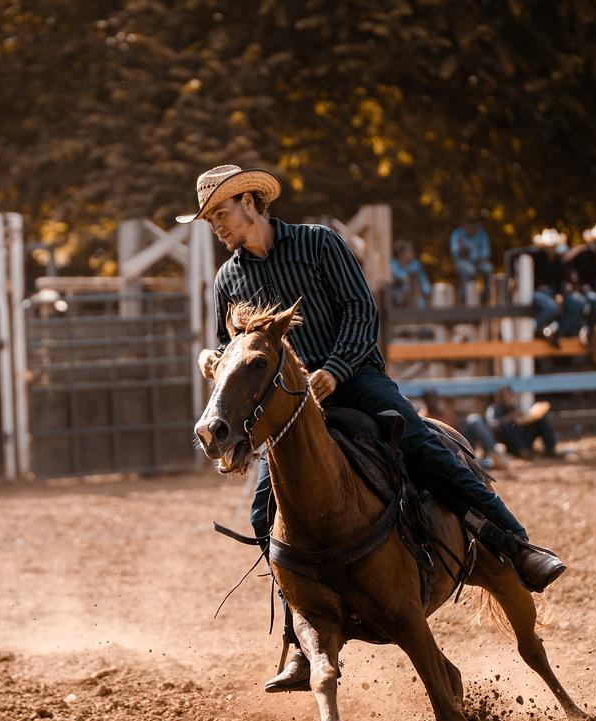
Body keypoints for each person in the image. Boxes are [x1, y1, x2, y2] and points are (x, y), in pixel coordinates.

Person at [179, 164, 565, 693]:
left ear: (250, 201)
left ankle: (516, 547)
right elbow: (240, 351)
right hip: (290, 408)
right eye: (210, 220)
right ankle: (297, 640)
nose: (217, 226)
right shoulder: (229, 279)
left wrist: (333, 372)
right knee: (263, 510)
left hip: (355, 380)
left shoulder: (319, 243)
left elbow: (361, 313)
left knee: (422, 444)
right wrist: (213, 357)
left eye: (221, 213)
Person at [419, 389, 509, 470]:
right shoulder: (423, 417)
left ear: (438, 399)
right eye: (429, 400)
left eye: (434, 399)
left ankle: (494, 452)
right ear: (425, 402)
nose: (432, 402)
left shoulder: (444, 413)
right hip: (447, 453)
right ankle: (487, 463)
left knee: (474, 419)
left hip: (459, 445)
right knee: (465, 464)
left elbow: (456, 432)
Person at [486, 387, 560, 458]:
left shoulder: (515, 407)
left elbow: (521, 424)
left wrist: (525, 419)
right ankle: (522, 451)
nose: (509, 397)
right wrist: (509, 418)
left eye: (510, 395)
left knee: (539, 419)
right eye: (506, 396)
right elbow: (492, 424)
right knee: (504, 426)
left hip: (522, 440)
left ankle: (550, 449)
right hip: (509, 445)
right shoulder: (493, 409)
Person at [449, 215, 493, 305]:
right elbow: (455, 252)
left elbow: (486, 252)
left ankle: (486, 296)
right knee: (469, 271)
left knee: (488, 269)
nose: (472, 228)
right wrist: (469, 253)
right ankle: (465, 297)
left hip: (479, 261)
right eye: (469, 225)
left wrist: (472, 254)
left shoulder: (482, 234)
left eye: (474, 225)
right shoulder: (457, 234)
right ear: (464, 225)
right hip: (462, 261)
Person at [390, 240, 432, 308]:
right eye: (409, 251)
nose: (412, 253)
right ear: (402, 253)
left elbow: (424, 282)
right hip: (398, 297)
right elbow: (389, 282)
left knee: (420, 300)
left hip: (415, 297)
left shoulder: (416, 265)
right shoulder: (393, 265)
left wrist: (427, 294)